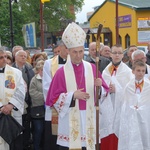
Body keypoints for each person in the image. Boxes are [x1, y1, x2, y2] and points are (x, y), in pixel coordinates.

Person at [46, 22, 109, 150]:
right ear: (68, 51)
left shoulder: (92, 68)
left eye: (81, 51)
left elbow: (105, 91)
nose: (78, 55)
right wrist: (73, 96)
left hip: (89, 119)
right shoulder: (61, 72)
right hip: (70, 120)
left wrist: (99, 87)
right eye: (75, 52)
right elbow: (52, 99)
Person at [102, 44, 134, 150]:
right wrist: (106, 90)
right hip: (108, 107)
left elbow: (131, 92)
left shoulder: (128, 72)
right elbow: (101, 89)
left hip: (121, 109)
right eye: (114, 52)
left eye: (119, 53)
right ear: (110, 54)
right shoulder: (106, 71)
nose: (117, 55)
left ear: (122, 55)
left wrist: (117, 90)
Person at [118, 60, 150, 150]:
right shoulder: (128, 86)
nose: (141, 73)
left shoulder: (148, 86)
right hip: (131, 118)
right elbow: (124, 102)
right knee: (132, 139)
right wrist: (131, 107)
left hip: (145, 118)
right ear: (133, 71)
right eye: (138, 70)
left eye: (143, 71)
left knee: (145, 138)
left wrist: (142, 108)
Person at [42, 40, 68, 150]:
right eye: (66, 48)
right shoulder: (49, 63)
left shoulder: (75, 63)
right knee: (53, 142)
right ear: (60, 48)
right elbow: (47, 86)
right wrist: (60, 102)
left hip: (71, 107)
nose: (68, 51)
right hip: (54, 108)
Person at [0, 47, 25, 150]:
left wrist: (11, 105)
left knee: (14, 144)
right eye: (1, 57)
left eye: (5, 56)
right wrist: (1, 107)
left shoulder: (16, 73)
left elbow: (21, 90)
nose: (4, 59)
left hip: (12, 114)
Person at [12, 50, 35, 149]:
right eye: (21, 56)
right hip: (14, 101)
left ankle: (26, 144)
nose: (23, 58)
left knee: (26, 125)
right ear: (15, 57)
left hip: (27, 102)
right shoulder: (11, 69)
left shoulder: (29, 69)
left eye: (25, 56)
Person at [29, 60, 45, 150]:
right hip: (37, 108)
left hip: (48, 109)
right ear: (38, 70)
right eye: (42, 70)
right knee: (38, 129)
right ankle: (36, 147)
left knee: (46, 131)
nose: (43, 72)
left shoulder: (50, 78)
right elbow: (32, 93)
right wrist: (45, 96)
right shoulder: (34, 80)